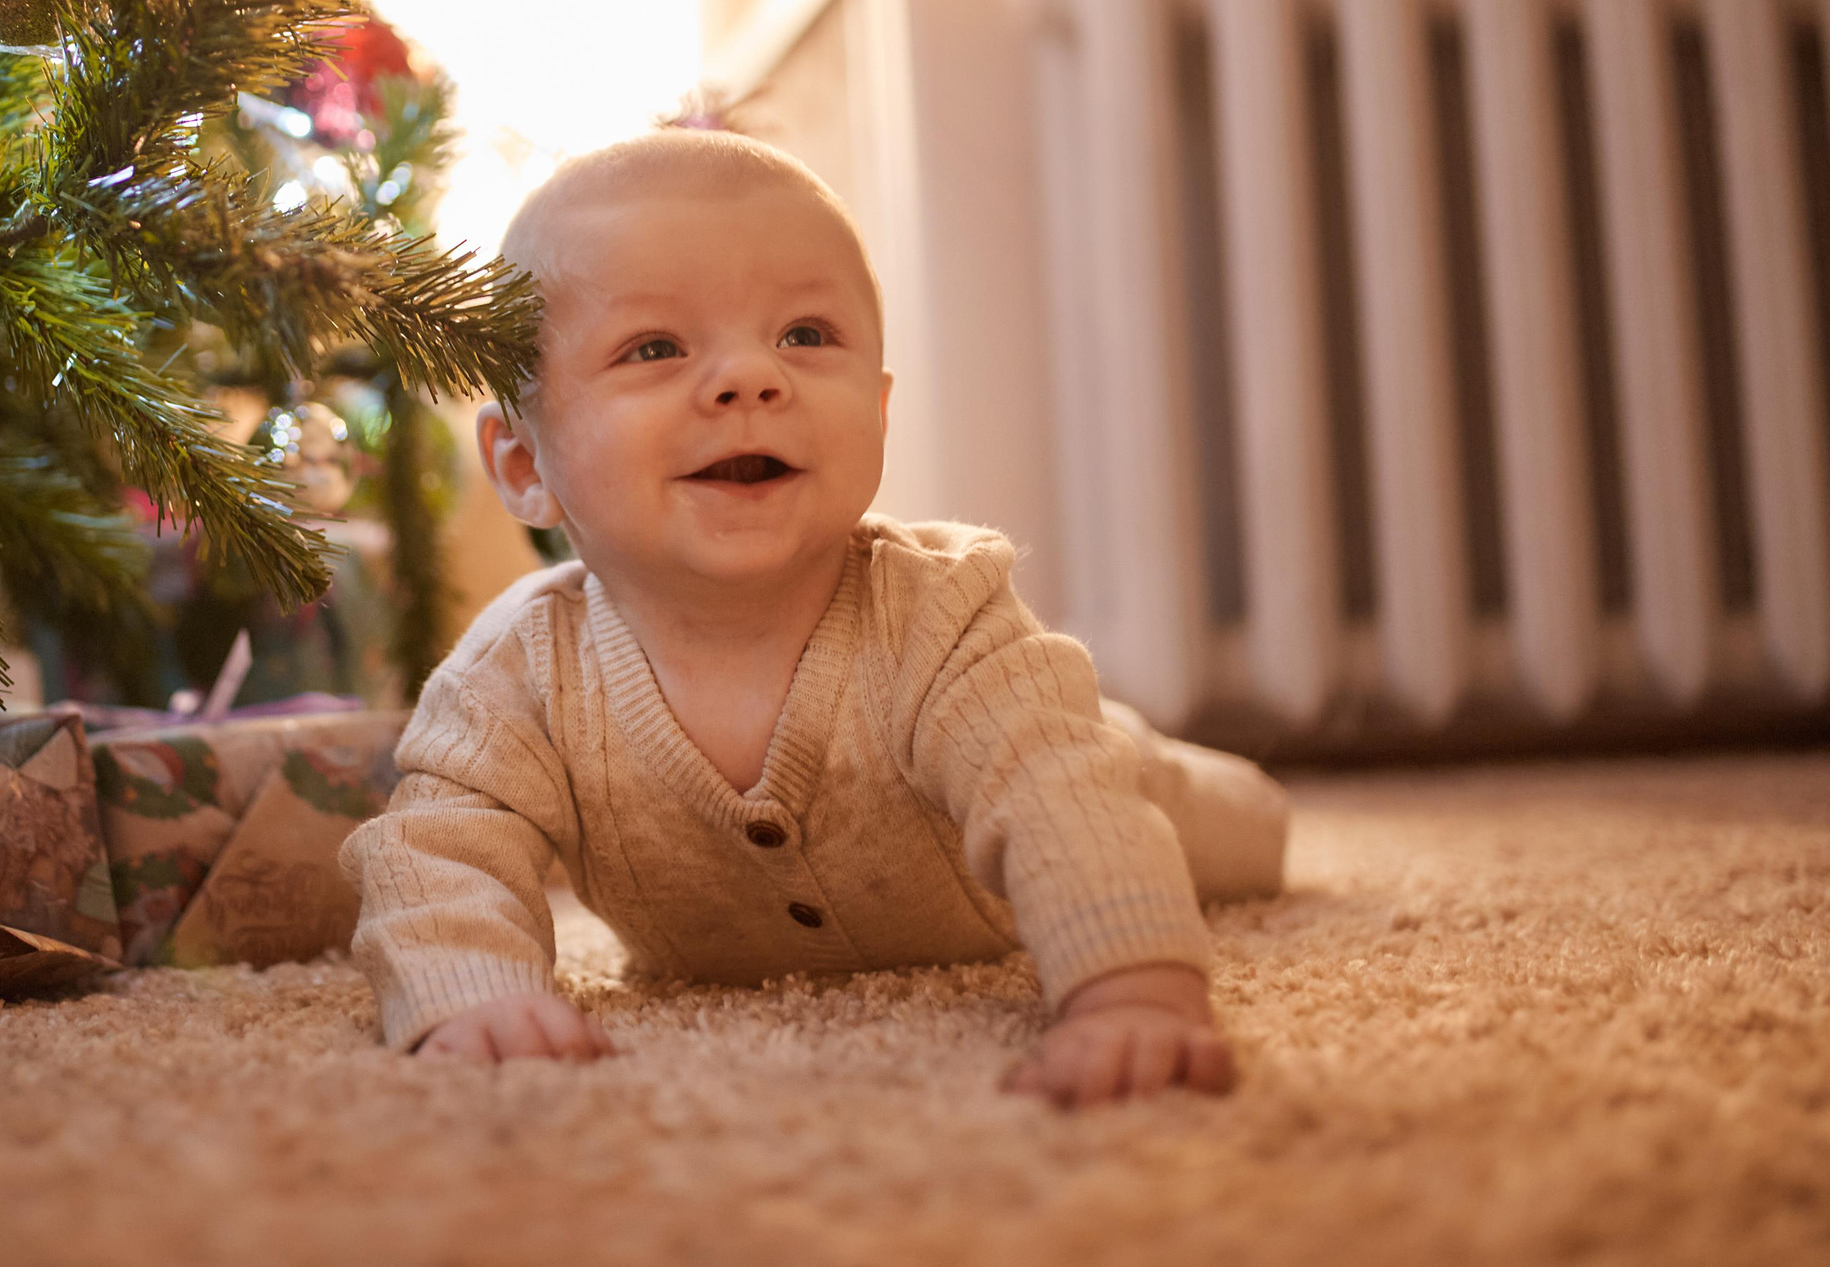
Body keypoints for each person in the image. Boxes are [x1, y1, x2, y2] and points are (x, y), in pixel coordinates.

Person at [339, 131, 1288, 1107]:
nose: (751, 379)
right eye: (654, 348)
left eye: (805, 335)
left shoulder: (941, 616)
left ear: (877, 413)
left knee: (1216, 820)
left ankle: (1222, 786)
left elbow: (1063, 798)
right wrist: (471, 996)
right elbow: (435, 851)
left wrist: (1131, 995)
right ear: (524, 465)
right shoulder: (515, 674)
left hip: (1076, 758)